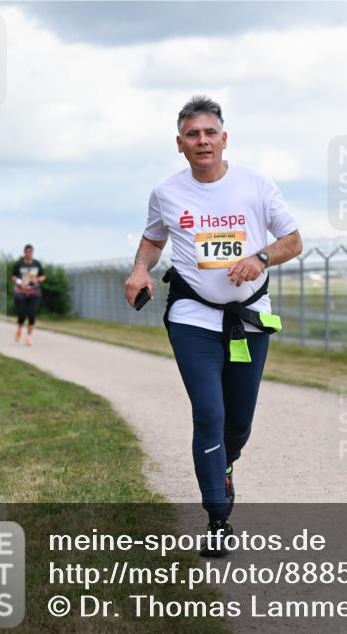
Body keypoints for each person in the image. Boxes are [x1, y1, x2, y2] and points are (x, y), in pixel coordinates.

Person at [124, 95, 302, 556]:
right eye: (192, 135)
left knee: (238, 424)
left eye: (209, 133)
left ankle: (223, 465)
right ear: (180, 144)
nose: (202, 141)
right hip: (192, 316)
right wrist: (141, 269)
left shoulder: (256, 185)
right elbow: (152, 238)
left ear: (224, 139)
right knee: (209, 413)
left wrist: (260, 258)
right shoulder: (167, 193)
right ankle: (217, 516)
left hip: (250, 318)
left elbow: (293, 241)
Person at [11, 244, 46, 345]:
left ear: (32, 253)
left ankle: (28, 337)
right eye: (27, 252)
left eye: (31, 252)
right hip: (21, 291)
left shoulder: (37, 264)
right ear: (24, 253)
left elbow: (43, 276)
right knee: (22, 314)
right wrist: (20, 283)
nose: (29, 254)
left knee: (32, 314)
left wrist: (38, 279)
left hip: (34, 291)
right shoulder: (19, 264)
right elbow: (13, 276)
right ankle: (19, 329)